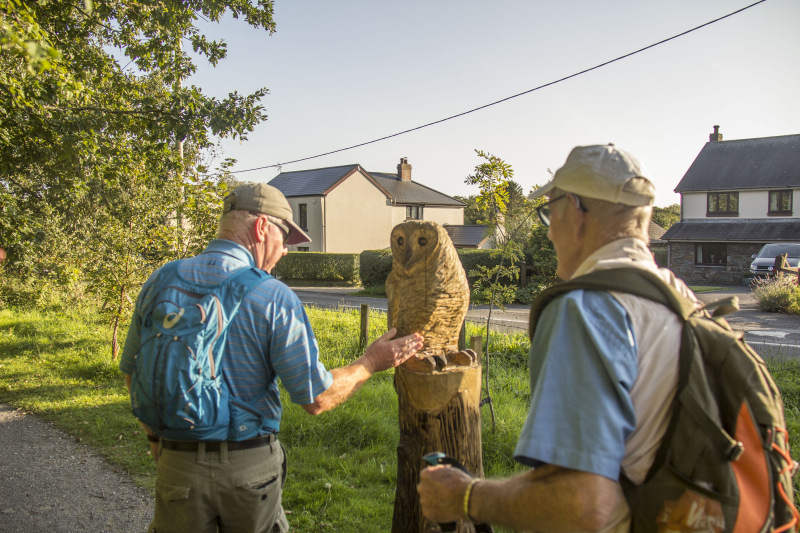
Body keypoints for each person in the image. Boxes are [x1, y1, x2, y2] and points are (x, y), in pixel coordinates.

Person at [418, 144, 700, 532]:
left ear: (576, 212)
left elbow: (581, 508)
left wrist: (465, 497)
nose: (549, 231)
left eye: (550, 212)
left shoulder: (585, 308)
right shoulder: (683, 302)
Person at [120, 183, 423, 533]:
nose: (287, 251)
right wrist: (369, 362)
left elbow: (133, 375)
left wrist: (157, 440)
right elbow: (317, 398)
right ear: (262, 228)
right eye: (284, 237)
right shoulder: (272, 295)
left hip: (176, 466)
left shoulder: (161, 280)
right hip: (249, 473)